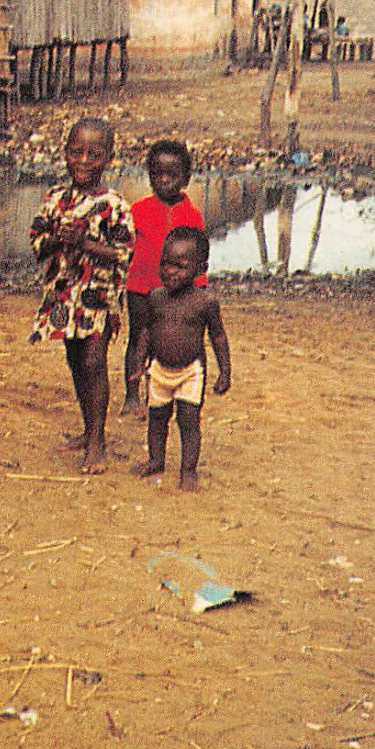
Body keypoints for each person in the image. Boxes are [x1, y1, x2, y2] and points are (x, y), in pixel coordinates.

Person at [29, 118, 135, 474]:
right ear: (65, 154)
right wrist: (60, 238)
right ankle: (88, 427)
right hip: (64, 296)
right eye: (76, 152)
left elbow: (123, 253)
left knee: (94, 361)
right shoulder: (55, 199)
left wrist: (86, 243)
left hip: (98, 298)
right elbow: (38, 245)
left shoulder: (115, 205)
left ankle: (97, 441)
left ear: (109, 158)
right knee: (75, 360)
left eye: (94, 154)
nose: (84, 161)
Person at [132, 227, 231, 491]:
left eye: (180, 266)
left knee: (188, 421)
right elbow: (146, 331)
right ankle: (156, 460)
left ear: (200, 269)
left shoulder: (205, 301)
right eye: (165, 263)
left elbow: (218, 337)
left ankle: (188, 471)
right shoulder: (156, 297)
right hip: (159, 370)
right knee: (156, 419)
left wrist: (225, 372)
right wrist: (139, 360)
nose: (170, 271)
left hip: (191, 372)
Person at [122, 139, 205, 416]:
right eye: (157, 174)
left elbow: (199, 258)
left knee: (171, 339)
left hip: (176, 292)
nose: (165, 181)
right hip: (141, 287)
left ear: (186, 178)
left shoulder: (193, 215)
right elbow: (125, 248)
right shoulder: (138, 211)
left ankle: (173, 392)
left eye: (172, 175)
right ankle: (132, 396)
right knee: (137, 338)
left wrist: (199, 288)